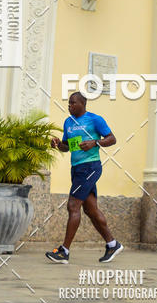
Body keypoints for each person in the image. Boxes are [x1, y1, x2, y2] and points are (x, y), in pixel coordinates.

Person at [45, 91, 124, 264]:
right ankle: (112, 244)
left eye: (73, 103)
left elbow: (112, 139)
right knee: (90, 210)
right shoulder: (68, 122)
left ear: (82, 104)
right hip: (77, 168)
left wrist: (95, 143)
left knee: (73, 206)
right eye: (69, 103)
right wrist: (58, 144)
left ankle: (64, 251)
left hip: (90, 167)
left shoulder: (95, 119)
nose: (69, 106)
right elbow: (68, 147)